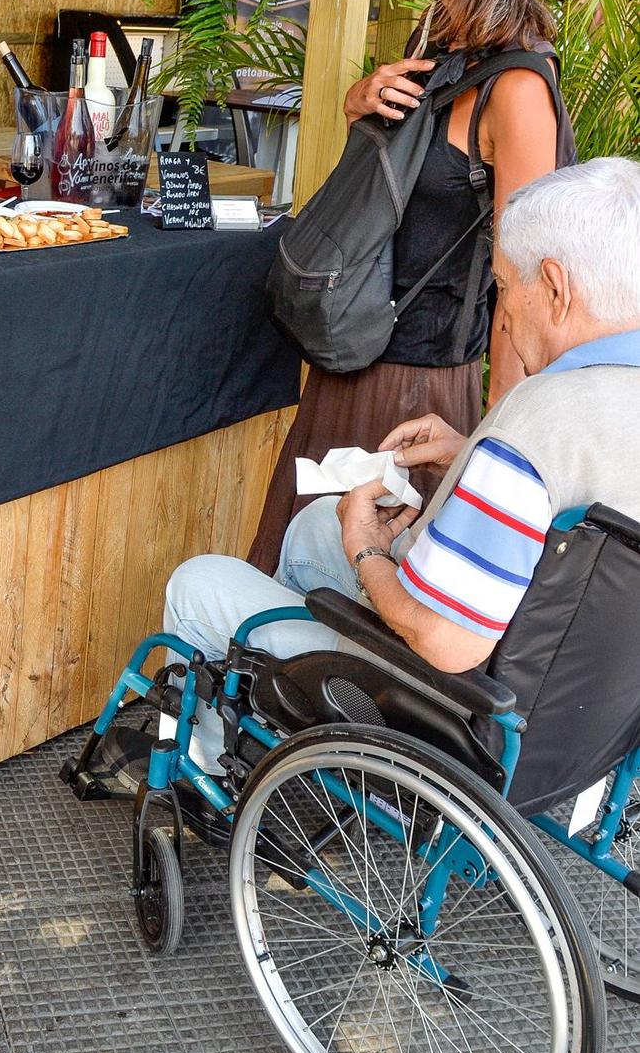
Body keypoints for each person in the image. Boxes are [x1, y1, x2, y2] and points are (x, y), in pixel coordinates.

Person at [167, 160, 640, 766]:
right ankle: (284, 726)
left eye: (503, 285)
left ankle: (220, 768)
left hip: (457, 713)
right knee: (313, 530)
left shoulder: (537, 422)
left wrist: (366, 551)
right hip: (590, 720)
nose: (504, 311)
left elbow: (446, 643)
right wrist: (468, 456)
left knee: (198, 583)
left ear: (554, 285)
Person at [249, 0, 570, 572]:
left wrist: (494, 445)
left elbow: (524, 282)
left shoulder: (516, 90)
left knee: (358, 597)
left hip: (416, 393)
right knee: (295, 576)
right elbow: (396, 194)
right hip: (352, 357)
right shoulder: (436, 47)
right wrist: (354, 105)